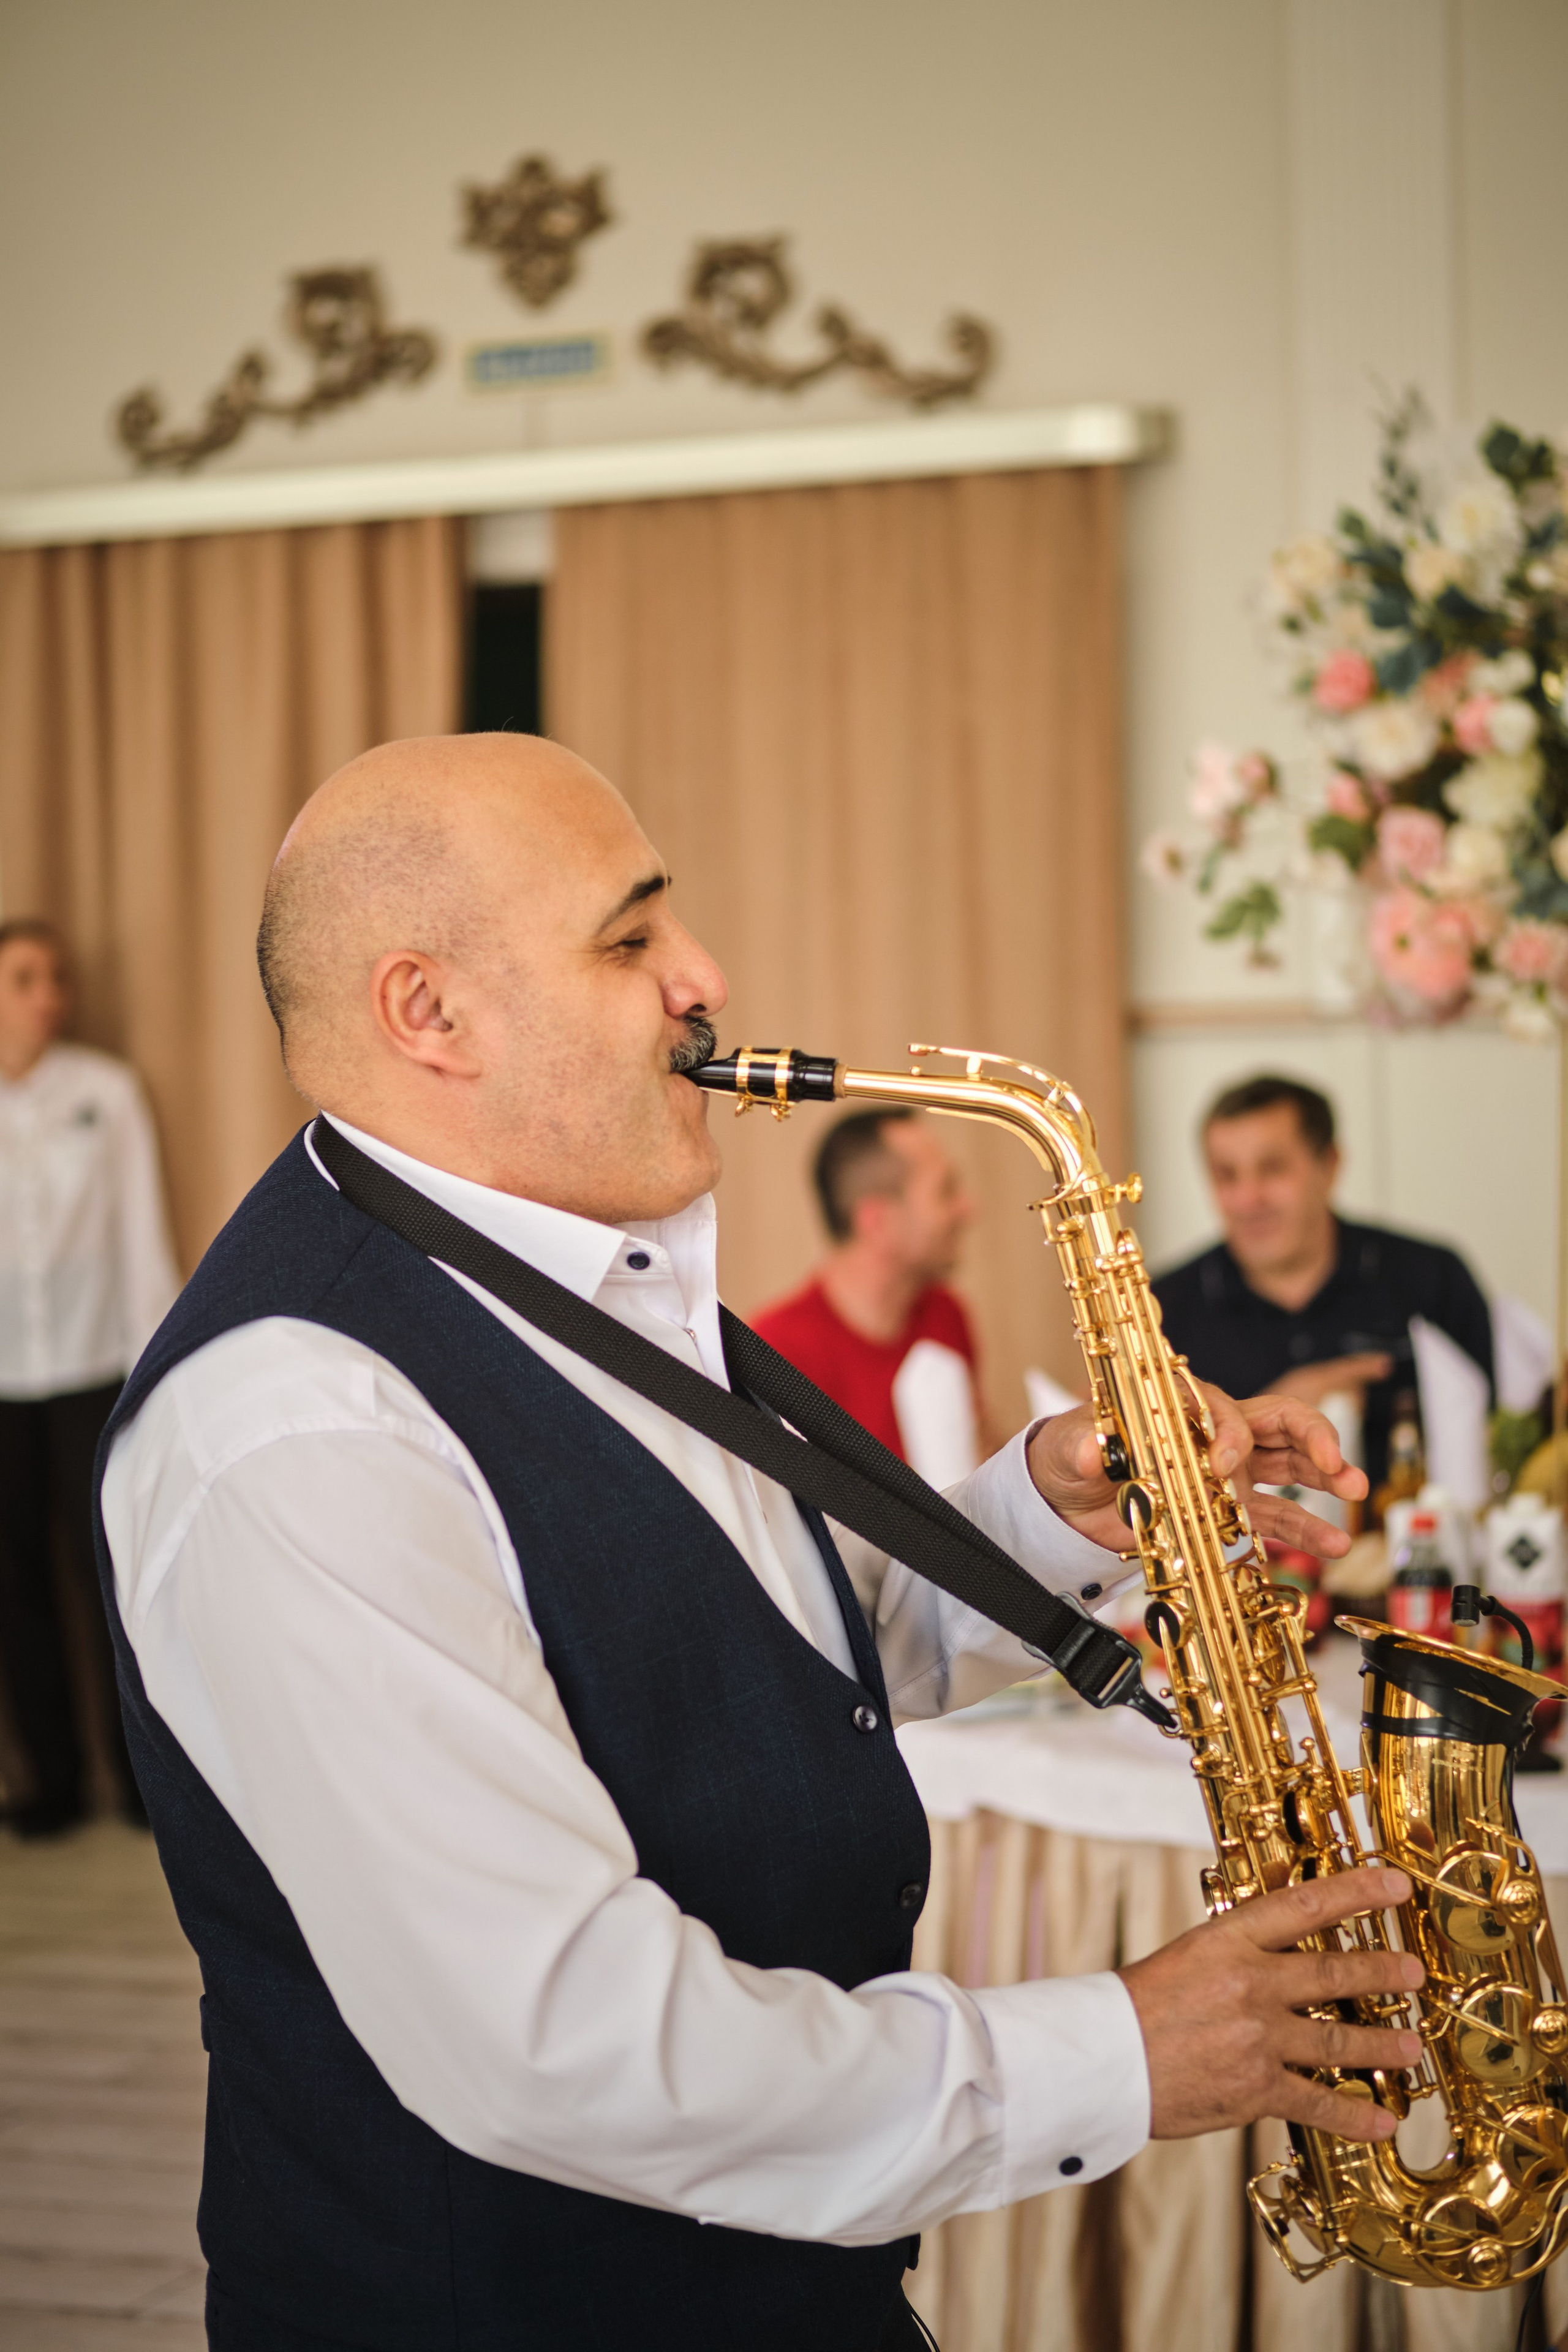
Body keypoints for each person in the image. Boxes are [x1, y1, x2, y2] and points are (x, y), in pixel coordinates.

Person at [96, 737, 1420, 2352]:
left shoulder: (574, 1271)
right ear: (426, 1012)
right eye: (629, 938)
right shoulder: (294, 1434)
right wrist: (1120, 2050)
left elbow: (738, 1649)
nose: (704, 977)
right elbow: (563, 2039)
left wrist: (1045, 1513)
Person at [0, 918, 179, 1837]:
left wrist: (153, 1372)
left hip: (92, 1374)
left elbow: (142, 1238)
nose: (50, 996)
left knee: (112, 1578)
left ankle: (142, 1782)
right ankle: (54, 1785)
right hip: (3, 1386)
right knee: (14, 1587)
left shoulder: (105, 1094)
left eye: (57, 978)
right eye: (26, 978)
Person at [1153, 1073, 1493, 1493]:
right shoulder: (1162, 1309)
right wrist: (1273, 1410)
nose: (1248, 1199)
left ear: (1329, 1165)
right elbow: (1154, 1477)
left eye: (1272, 1168)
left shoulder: (1432, 1278)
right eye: (1227, 1175)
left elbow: (1500, 1441)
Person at [753, 1107, 997, 1480]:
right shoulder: (777, 1355)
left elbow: (976, 1462)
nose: (969, 1209)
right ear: (878, 1221)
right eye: (946, 1191)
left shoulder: (946, 1314)